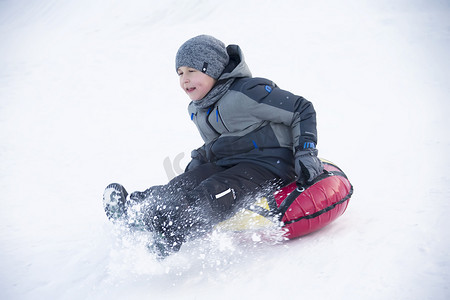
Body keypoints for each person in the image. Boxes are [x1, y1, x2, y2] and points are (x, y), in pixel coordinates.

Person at [103, 35, 323, 258]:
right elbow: (220, 140)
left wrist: (306, 152)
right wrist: (201, 159)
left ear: (213, 69)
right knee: (180, 184)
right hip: (228, 162)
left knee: (214, 190)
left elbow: (301, 109)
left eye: (192, 71)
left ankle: (171, 231)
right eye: (179, 73)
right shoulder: (198, 108)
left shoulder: (247, 92)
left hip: (268, 165)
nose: (184, 80)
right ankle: (135, 210)